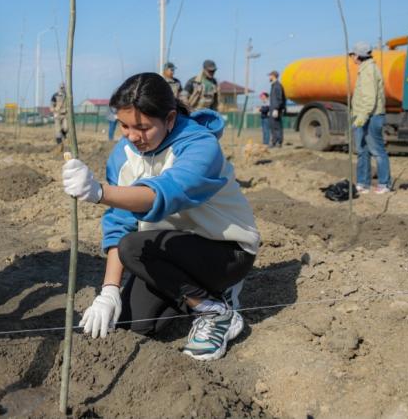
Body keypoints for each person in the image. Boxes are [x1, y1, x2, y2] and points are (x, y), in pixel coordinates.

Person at [61, 72, 260, 360]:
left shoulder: (200, 146)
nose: (133, 136)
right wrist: (109, 291)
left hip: (226, 251)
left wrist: (100, 192)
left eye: (142, 127)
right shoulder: (122, 156)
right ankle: (199, 295)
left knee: (134, 247)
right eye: (124, 126)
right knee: (135, 322)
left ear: (169, 119)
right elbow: (120, 221)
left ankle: (215, 311)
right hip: (170, 252)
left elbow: (166, 193)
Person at [350, 41, 391, 194]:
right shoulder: (365, 69)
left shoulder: (368, 71)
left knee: (376, 150)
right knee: (363, 150)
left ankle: (384, 183)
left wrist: (361, 117)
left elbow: (369, 98)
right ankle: (362, 183)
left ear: (358, 55)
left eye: (352, 54)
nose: (351, 57)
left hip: (371, 116)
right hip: (365, 115)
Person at [268, 70, 286, 147]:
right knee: (273, 125)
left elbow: (280, 98)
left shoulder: (277, 85)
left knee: (277, 126)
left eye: (270, 75)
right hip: (273, 108)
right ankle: (274, 141)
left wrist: (276, 109)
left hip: (276, 109)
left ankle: (279, 142)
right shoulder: (273, 85)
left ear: (273, 76)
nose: (269, 77)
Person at [51, 83, 69, 151]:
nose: (62, 89)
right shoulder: (55, 96)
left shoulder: (67, 96)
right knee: (58, 131)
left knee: (66, 127)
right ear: (59, 88)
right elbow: (52, 105)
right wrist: (54, 110)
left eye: (63, 87)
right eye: (61, 87)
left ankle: (64, 135)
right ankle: (60, 144)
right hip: (57, 114)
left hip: (65, 114)